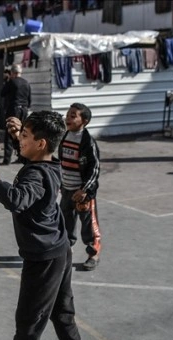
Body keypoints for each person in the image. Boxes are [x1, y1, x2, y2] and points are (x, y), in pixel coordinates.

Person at [0, 111, 89, 340]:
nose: (20, 140)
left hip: (43, 258)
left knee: (29, 315)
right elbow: (30, 154)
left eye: (26, 136)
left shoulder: (36, 175)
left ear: (41, 143)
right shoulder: (51, 163)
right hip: (60, 250)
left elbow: (17, 200)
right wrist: (19, 135)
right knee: (62, 308)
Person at [58, 103, 102, 271]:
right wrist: (60, 184)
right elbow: (62, 163)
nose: (68, 118)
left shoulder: (88, 142)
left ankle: (93, 252)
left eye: (73, 115)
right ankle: (66, 250)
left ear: (84, 121)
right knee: (65, 220)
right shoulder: (65, 136)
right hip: (67, 190)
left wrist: (84, 190)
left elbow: (94, 169)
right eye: (68, 114)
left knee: (88, 224)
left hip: (82, 193)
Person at [0, 64, 31, 165]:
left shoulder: (11, 82)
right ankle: (22, 156)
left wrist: (6, 81)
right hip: (24, 109)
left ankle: (7, 159)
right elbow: (29, 99)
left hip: (14, 108)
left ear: (12, 73)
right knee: (22, 132)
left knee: (11, 131)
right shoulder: (26, 83)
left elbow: (2, 93)